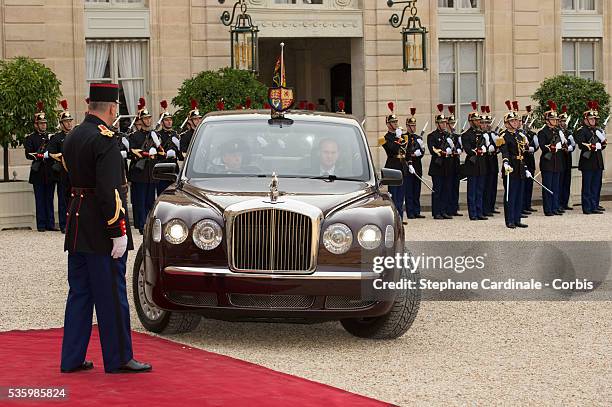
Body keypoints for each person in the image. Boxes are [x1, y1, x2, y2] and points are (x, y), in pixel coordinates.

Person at [60, 82, 151, 374]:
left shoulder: (73, 135)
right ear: (112, 108)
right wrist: (118, 230)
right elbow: (110, 190)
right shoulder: (107, 139)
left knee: (79, 294)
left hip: (77, 222)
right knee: (111, 295)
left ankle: (71, 358)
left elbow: (70, 179)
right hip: (101, 227)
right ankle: (119, 358)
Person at [128, 101, 162, 234]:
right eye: (145, 118)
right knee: (140, 202)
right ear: (140, 121)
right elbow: (133, 152)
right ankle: (142, 226)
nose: (148, 121)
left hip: (151, 173)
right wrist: (147, 154)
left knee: (150, 201)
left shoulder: (155, 135)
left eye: (149, 118)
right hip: (140, 173)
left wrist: (158, 150)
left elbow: (161, 153)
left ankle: (149, 224)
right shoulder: (135, 136)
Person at [24, 102, 57, 232]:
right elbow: (28, 154)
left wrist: (49, 155)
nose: (44, 125)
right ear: (36, 125)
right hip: (38, 171)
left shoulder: (50, 137)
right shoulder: (30, 138)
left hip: (49, 171)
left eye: (45, 123)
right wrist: (41, 156)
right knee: (40, 199)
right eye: (41, 123)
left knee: (49, 198)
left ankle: (50, 223)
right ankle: (41, 225)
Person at [498, 108, 530, 229]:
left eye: (516, 120)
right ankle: (509, 220)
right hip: (510, 167)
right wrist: (505, 163)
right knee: (510, 195)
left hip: (520, 167)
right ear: (507, 123)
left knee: (519, 195)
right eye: (513, 121)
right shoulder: (503, 136)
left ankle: (517, 219)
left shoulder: (520, 135)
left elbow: (522, 153)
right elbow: (504, 152)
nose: (516, 122)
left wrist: (525, 168)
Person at [47, 100, 74, 234]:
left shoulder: (75, 135)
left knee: (74, 199)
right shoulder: (57, 138)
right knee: (63, 199)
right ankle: (64, 224)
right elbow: (51, 153)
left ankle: (73, 223)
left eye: (70, 121)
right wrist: (64, 156)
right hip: (63, 172)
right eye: (66, 121)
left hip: (75, 172)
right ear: (62, 123)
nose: (69, 123)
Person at [575, 101, 606, 215]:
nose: (594, 121)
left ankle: (594, 205)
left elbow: (602, 145)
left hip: (597, 161)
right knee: (587, 186)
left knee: (596, 185)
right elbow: (580, 143)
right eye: (591, 119)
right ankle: (587, 207)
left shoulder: (596, 130)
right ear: (585, 120)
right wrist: (593, 146)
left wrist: (602, 143)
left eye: (594, 119)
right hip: (588, 162)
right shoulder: (581, 130)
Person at [461, 101, 488, 221]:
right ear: (471, 122)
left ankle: (479, 211)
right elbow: (467, 149)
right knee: (472, 190)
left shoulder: (481, 134)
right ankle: (472, 213)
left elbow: (485, 146)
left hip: (481, 164)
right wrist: (475, 151)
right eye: (476, 120)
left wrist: (484, 148)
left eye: (478, 120)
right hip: (472, 163)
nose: (478, 122)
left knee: (480, 189)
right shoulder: (466, 135)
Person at [537, 101, 564, 216]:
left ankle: (555, 206)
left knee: (556, 186)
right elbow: (543, 147)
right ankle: (548, 209)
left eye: (556, 120)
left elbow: (564, 145)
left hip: (557, 162)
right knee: (548, 187)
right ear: (547, 121)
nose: (555, 121)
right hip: (547, 162)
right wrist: (553, 147)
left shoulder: (558, 131)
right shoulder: (542, 132)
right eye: (553, 119)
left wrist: (563, 141)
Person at [427, 104, 454, 220]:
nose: (444, 124)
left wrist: (452, 148)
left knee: (446, 189)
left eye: (445, 123)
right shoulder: (432, 136)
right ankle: (436, 212)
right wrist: (442, 151)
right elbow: (432, 149)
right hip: (437, 166)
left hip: (447, 166)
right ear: (437, 124)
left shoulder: (448, 135)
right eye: (442, 123)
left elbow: (455, 148)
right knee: (437, 189)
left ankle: (444, 211)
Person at [381, 102, 407, 220]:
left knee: (401, 196)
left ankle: (400, 217)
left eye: (396, 122)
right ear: (388, 124)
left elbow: (407, 149)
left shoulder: (401, 135)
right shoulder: (385, 138)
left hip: (401, 166)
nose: (396, 124)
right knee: (393, 195)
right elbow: (392, 150)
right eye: (393, 122)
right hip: (392, 167)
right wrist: (397, 138)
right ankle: (394, 218)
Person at [404, 108, 426, 220]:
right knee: (409, 190)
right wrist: (412, 155)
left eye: (414, 125)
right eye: (411, 126)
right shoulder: (404, 137)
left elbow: (422, 152)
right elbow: (403, 152)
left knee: (417, 190)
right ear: (407, 126)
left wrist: (420, 152)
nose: (413, 128)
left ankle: (417, 211)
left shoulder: (418, 138)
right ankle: (410, 212)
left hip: (417, 166)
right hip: (408, 166)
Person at [156, 100, 182, 194]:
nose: (169, 122)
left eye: (170, 120)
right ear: (162, 122)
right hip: (163, 170)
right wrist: (166, 154)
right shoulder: (158, 135)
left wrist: (179, 148)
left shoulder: (176, 135)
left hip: (174, 171)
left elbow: (181, 156)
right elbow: (156, 153)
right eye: (166, 120)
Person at [482, 105, 500, 217]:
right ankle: (485, 208)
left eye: (488, 123)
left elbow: (498, 146)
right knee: (486, 187)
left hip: (493, 161)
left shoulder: (493, 134)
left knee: (493, 186)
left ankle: (491, 206)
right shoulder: (480, 135)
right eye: (484, 123)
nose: (486, 125)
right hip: (485, 162)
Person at [521, 105, 538, 215]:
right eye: (526, 122)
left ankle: (528, 204)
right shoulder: (520, 134)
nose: (527, 124)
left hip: (530, 160)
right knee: (522, 186)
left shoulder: (532, 134)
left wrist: (531, 148)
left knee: (529, 185)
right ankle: (522, 206)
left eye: (529, 122)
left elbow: (536, 146)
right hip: (522, 160)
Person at [558, 105, 576, 211]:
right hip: (559, 159)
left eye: (564, 121)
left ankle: (565, 203)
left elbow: (573, 146)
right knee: (559, 182)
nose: (563, 123)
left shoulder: (569, 132)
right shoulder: (557, 132)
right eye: (561, 121)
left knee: (566, 182)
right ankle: (559, 203)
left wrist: (569, 147)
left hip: (567, 159)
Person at [447, 106, 463, 217]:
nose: (453, 126)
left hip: (455, 163)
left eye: (453, 124)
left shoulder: (456, 136)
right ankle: (447, 208)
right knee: (448, 187)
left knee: (455, 187)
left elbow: (461, 148)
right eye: (450, 124)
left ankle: (454, 208)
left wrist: (458, 149)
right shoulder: (445, 136)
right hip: (447, 164)